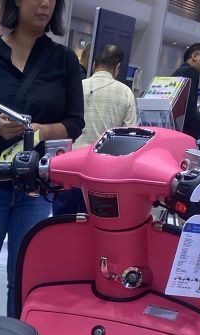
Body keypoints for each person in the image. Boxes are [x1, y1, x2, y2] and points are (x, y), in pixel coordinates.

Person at [0, 0, 84, 321]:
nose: (45, 4)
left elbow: (75, 122)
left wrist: (41, 131)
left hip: (35, 188)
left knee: (23, 278)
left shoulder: (64, 59)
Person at [53, 43, 138, 216]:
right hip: (102, 173)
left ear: (93, 65)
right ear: (117, 68)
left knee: (62, 221)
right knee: (94, 224)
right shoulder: (126, 93)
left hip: (69, 166)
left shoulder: (76, 86)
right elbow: (131, 137)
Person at [172, 43, 200, 142]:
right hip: (182, 134)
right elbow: (189, 107)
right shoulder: (191, 72)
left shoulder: (178, 72)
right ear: (194, 56)